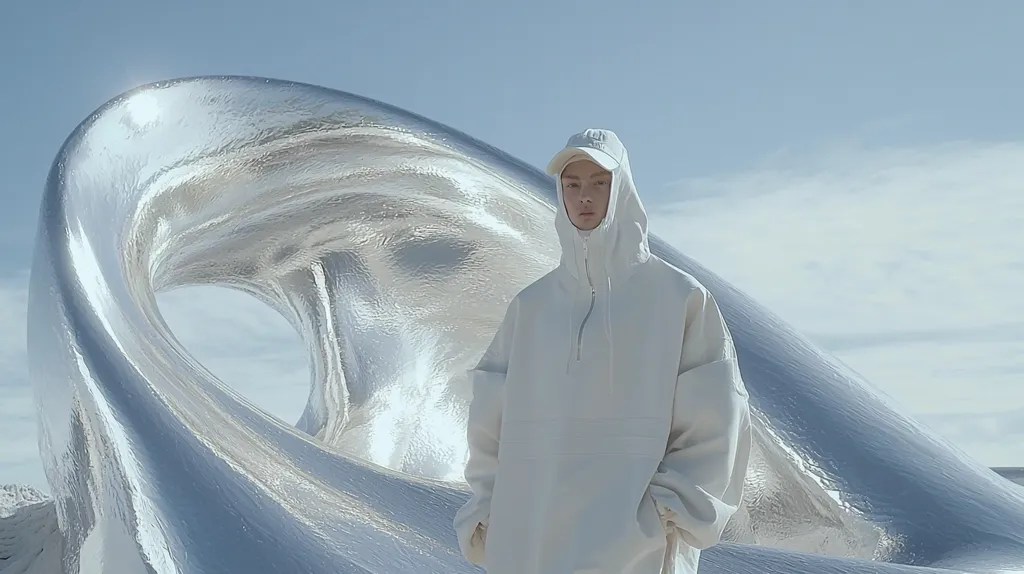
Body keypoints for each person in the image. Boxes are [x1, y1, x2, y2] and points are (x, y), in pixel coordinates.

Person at [453, 128, 752, 574]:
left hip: (632, 549)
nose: (584, 197)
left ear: (623, 188)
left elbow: (716, 418)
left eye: (600, 183)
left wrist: (665, 512)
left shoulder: (677, 298)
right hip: (529, 542)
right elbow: (487, 424)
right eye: (572, 185)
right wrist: (492, 510)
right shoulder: (531, 307)